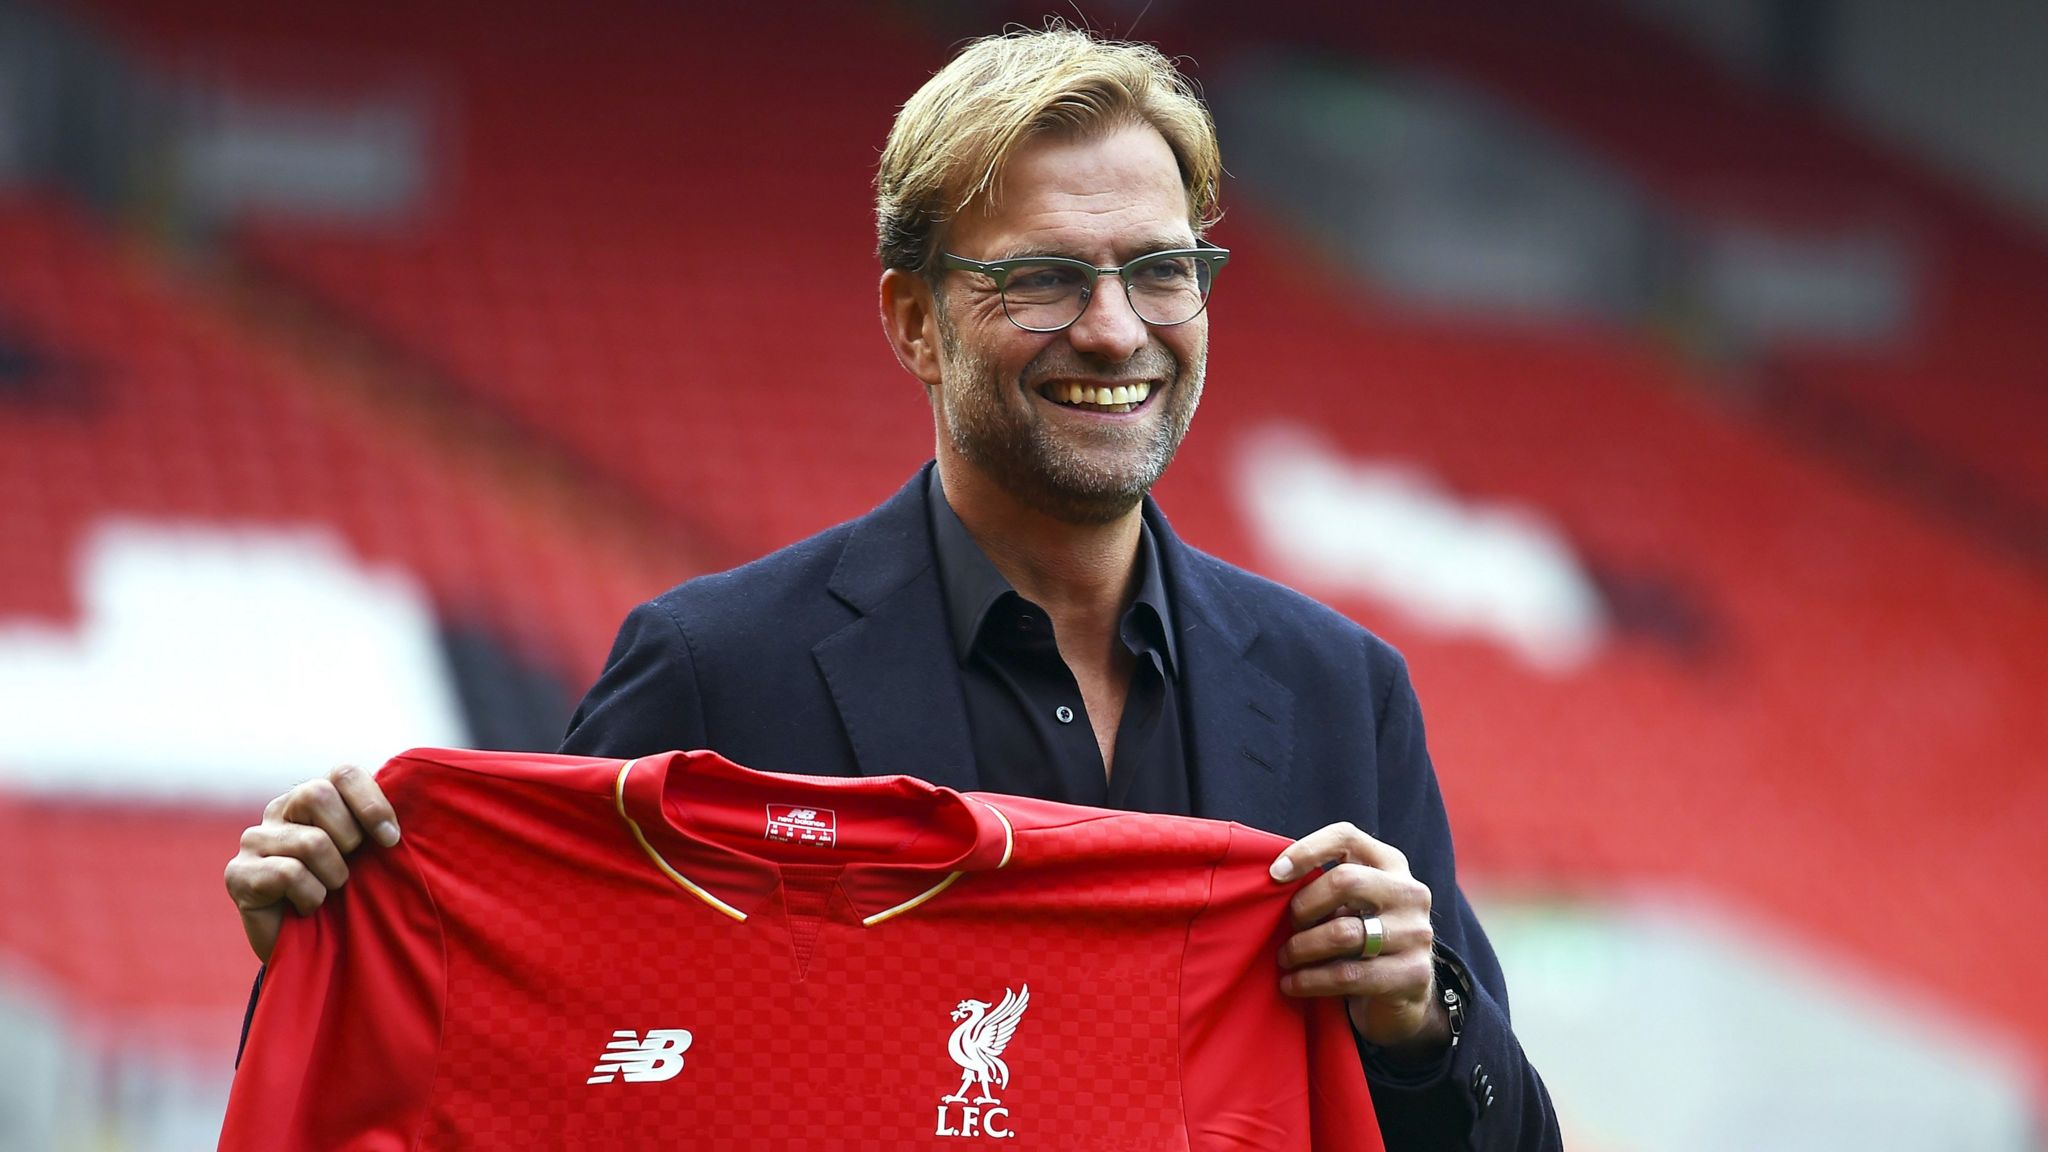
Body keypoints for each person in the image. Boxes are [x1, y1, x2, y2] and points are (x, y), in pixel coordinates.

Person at [224, 25, 1560, 1150]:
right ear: (914, 321)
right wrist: (334, 951)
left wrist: (1423, 1021)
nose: (1115, 325)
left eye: (1160, 269)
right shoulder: (713, 667)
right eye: (1042, 277)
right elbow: (555, 1070)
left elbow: (1508, 1136)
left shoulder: (1339, 689)